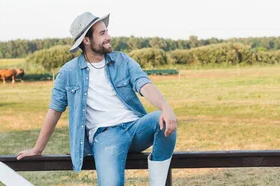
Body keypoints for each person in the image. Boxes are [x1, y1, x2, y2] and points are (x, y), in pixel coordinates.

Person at [16, 12, 177, 186]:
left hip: (134, 127)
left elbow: (144, 84)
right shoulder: (68, 73)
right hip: (106, 136)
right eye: (102, 33)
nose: (109, 37)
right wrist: (37, 149)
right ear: (86, 40)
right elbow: (54, 111)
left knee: (162, 120)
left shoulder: (123, 60)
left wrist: (165, 107)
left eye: (107, 31)